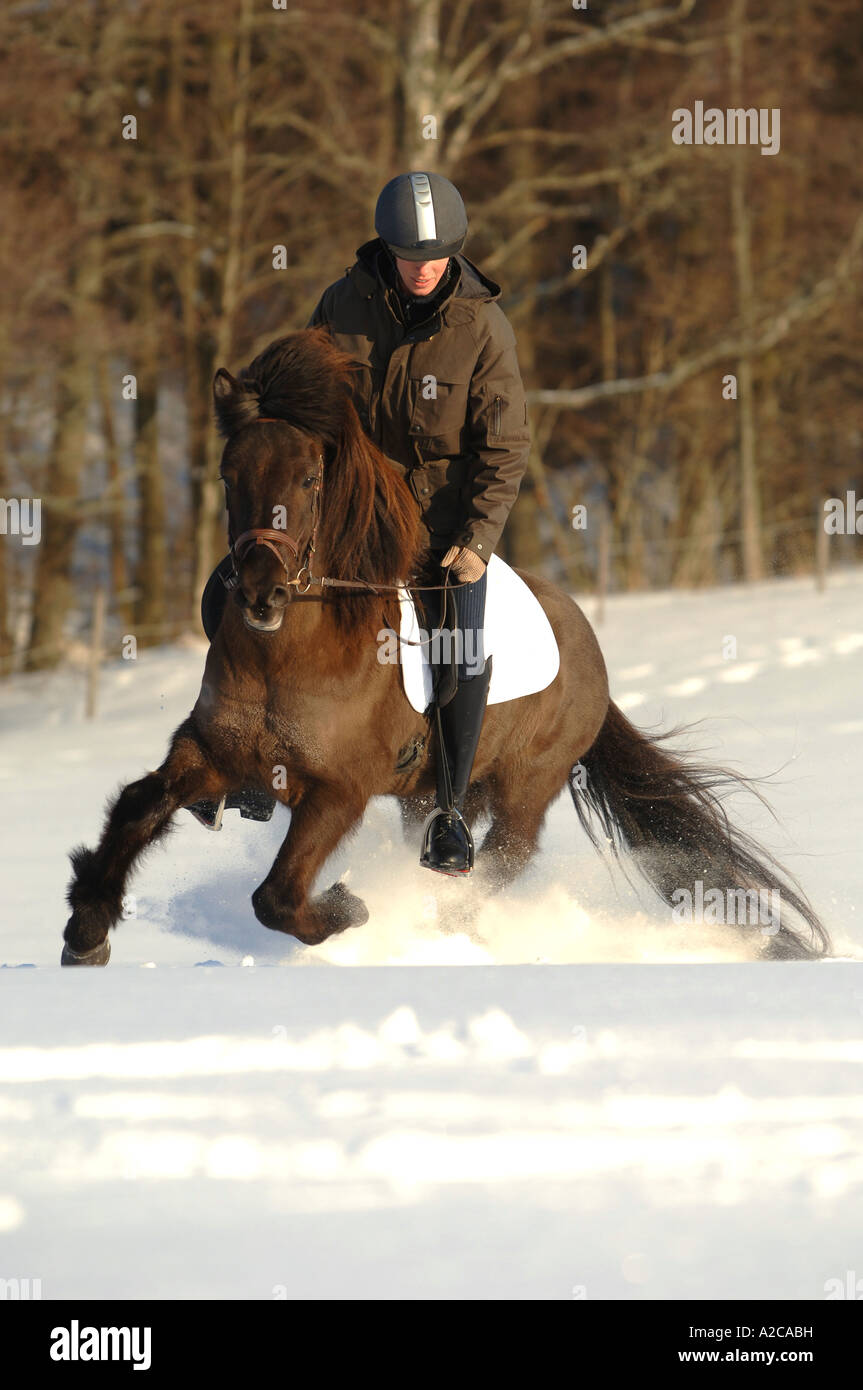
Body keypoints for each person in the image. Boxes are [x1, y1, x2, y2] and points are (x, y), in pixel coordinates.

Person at [192, 172, 530, 875]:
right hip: (349, 517)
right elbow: (298, 394)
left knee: (460, 646)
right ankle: (255, 768)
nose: (422, 269)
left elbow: (504, 448)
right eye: (410, 256)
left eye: (435, 257)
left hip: (438, 530)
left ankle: (447, 812)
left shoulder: (481, 327)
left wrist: (476, 542)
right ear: (387, 248)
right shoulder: (342, 303)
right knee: (226, 594)